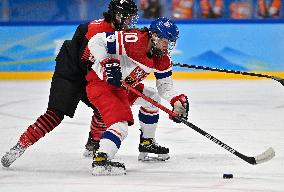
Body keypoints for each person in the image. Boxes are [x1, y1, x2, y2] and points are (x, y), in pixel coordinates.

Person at [1, 0, 138, 168]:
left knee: (104, 107)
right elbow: (87, 61)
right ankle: (20, 146)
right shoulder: (96, 30)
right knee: (55, 115)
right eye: (126, 17)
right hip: (71, 73)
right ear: (115, 15)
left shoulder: (124, 32)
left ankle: (93, 144)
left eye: (131, 18)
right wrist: (110, 72)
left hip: (92, 75)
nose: (129, 21)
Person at [86, 17, 189, 175]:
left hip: (125, 88)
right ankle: (101, 160)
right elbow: (95, 41)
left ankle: (147, 142)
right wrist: (106, 63)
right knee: (120, 125)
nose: (166, 46)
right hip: (102, 84)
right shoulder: (133, 40)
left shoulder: (162, 59)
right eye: (164, 41)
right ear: (154, 36)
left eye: (170, 42)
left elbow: (165, 87)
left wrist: (175, 101)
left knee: (153, 98)